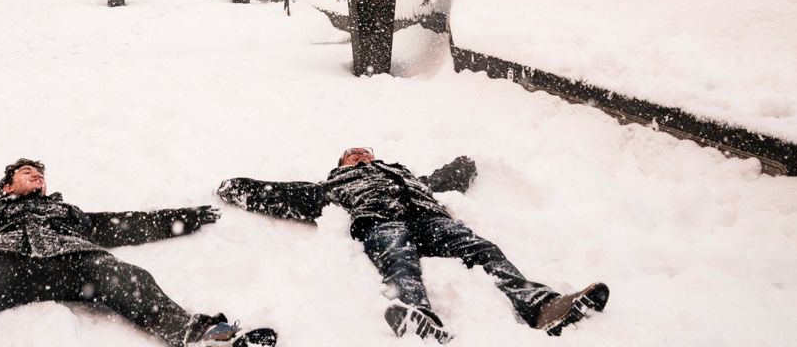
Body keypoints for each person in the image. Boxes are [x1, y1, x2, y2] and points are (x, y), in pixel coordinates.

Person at [0, 159, 275, 347]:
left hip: (75, 262)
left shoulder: (69, 213)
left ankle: (202, 335)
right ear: (6, 186)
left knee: (129, 276)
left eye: (39, 173)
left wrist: (187, 216)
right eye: (26, 173)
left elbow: (125, 223)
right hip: (2, 264)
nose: (35, 177)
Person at [217, 147, 608, 343]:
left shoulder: (408, 176)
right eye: (353, 154)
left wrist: (465, 163)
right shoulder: (332, 186)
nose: (362, 154)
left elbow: (445, 178)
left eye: (366, 150)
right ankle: (415, 313)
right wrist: (234, 188)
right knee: (398, 260)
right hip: (381, 222)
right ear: (341, 165)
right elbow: (281, 194)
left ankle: (542, 305)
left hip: (433, 221)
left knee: (482, 249)